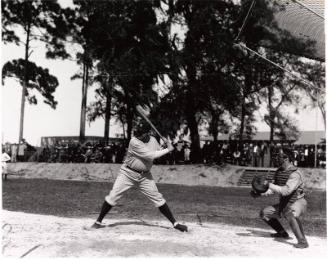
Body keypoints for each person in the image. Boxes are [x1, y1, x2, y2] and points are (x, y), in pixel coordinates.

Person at [88, 121, 188, 232]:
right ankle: (98, 222)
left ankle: (175, 223)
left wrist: (166, 146)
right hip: (127, 174)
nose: (139, 136)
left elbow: (157, 154)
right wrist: (167, 149)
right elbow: (150, 156)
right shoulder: (134, 141)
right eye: (138, 134)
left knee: (158, 198)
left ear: (148, 133)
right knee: (113, 196)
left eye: (141, 134)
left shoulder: (153, 140)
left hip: (145, 176)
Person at [251, 147, 309, 249]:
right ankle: (282, 233)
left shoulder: (295, 173)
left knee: (289, 212)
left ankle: (303, 241)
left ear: (286, 158)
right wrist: (260, 193)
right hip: (285, 203)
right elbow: (274, 189)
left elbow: (286, 191)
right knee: (264, 213)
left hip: (299, 202)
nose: (276, 158)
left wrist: (268, 184)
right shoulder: (279, 171)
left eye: (279, 156)